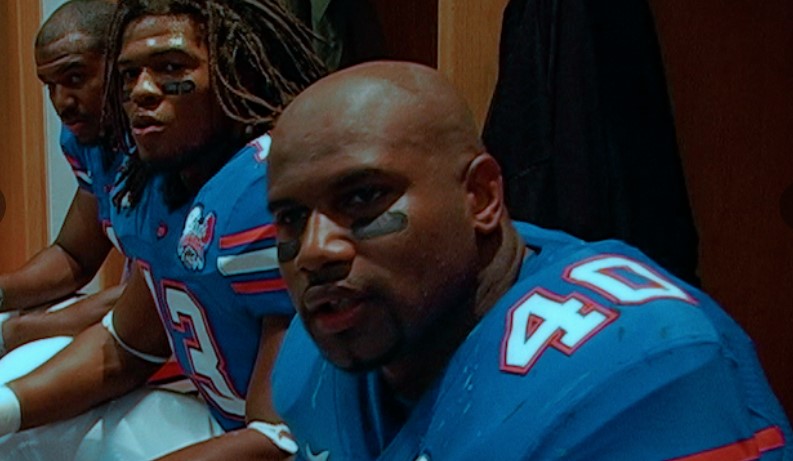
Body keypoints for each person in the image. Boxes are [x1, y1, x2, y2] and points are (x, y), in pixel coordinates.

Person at [267, 61, 793, 460]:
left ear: (480, 198)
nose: (315, 251)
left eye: (362, 198)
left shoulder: (637, 367)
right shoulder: (319, 357)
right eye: (291, 217)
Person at [0, 0, 325, 460]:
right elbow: (123, 349)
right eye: (129, 75)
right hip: (223, 420)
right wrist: (5, 409)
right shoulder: (158, 183)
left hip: (301, 448)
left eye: (170, 67)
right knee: (20, 402)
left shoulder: (265, 193)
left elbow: (279, 440)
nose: (142, 91)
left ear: (240, 73)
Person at [0, 0, 124, 358]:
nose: (61, 102)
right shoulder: (85, 139)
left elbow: (159, 297)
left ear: (122, 66)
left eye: (75, 78)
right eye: (49, 86)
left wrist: (14, 334)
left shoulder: (170, 148)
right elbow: (75, 255)